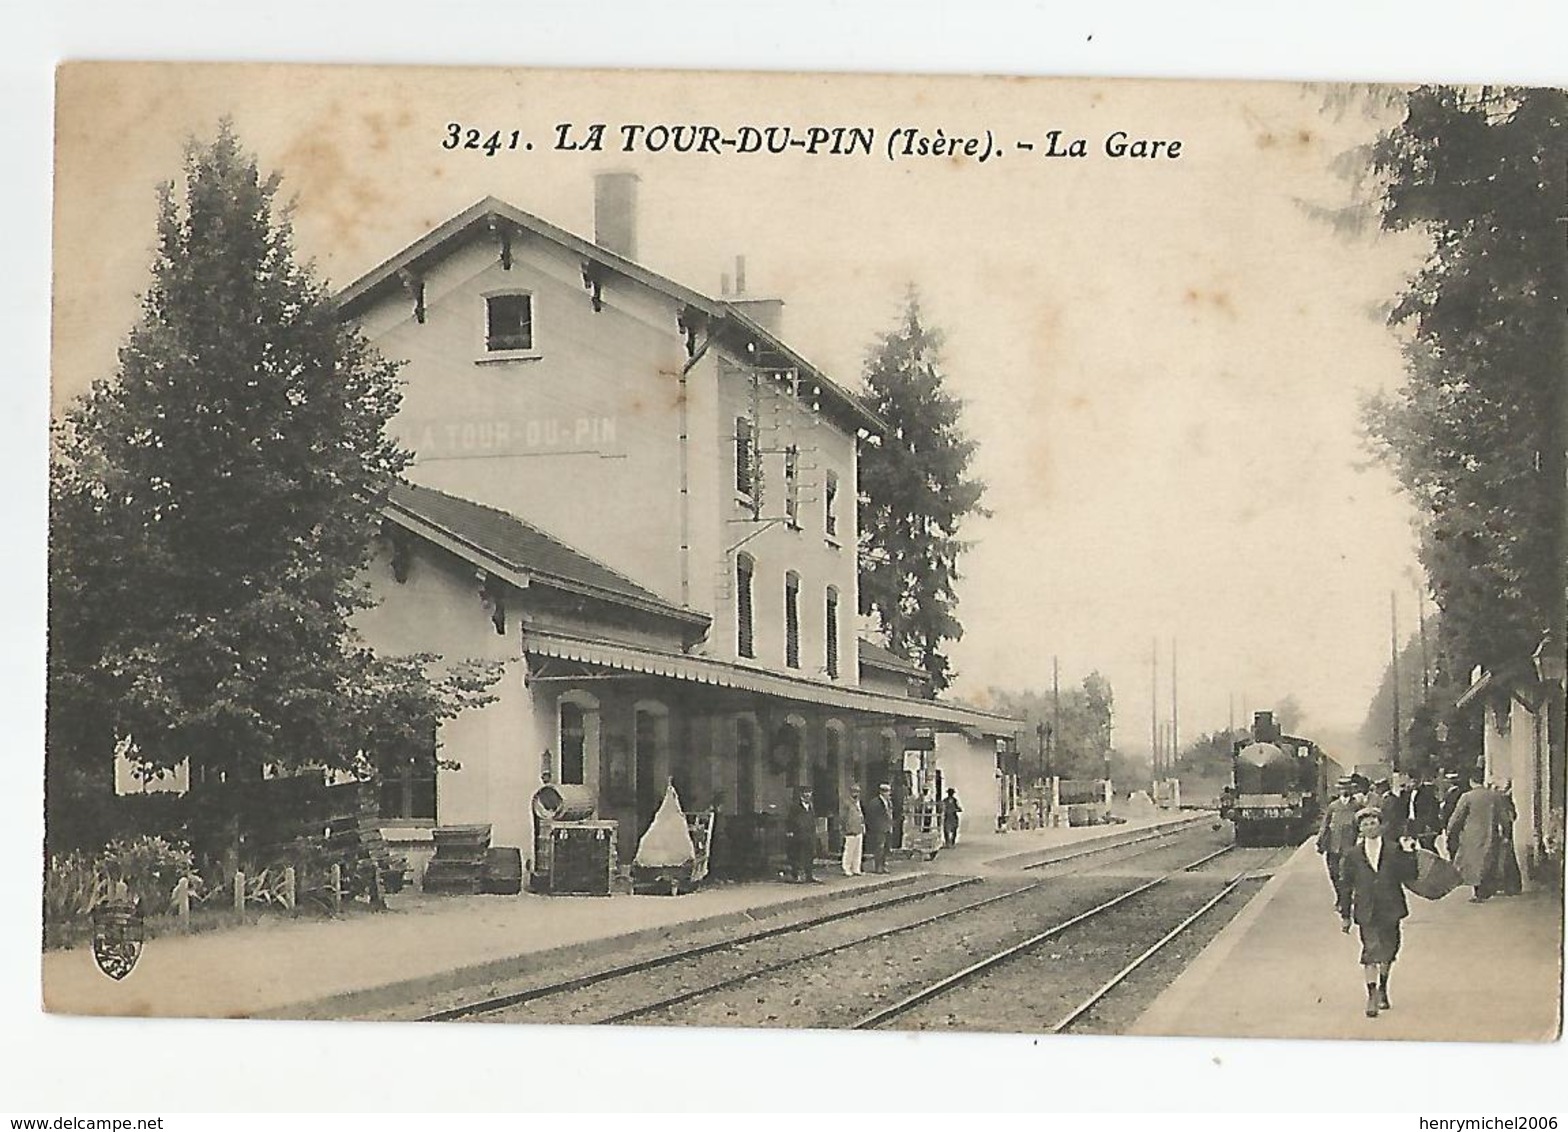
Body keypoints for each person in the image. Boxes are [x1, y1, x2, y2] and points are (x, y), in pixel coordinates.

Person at [1337, 806, 1418, 1018]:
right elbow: (1345, 885)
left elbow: (1410, 874)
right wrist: (1345, 914)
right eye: (1364, 824)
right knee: (1371, 950)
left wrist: (1410, 853)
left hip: (1391, 907)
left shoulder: (1394, 849)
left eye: (1373, 822)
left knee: (1389, 951)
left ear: (1380, 825)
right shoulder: (1352, 855)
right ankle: (1372, 995)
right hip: (1366, 910)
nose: (1369, 827)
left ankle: (1383, 986)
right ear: (1360, 830)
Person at [1445, 777, 1507, 901]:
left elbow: (1457, 816)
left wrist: (1449, 830)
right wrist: (1506, 832)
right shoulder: (1494, 796)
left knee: (1474, 862)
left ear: (1471, 781)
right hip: (1491, 832)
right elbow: (1503, 816)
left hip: (1472, 834)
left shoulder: (1467, 797)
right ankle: (1486, 889)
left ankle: (1478, 891)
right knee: (1488, 860)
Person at [1317, 777, 1361, 911]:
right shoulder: (1333, 806)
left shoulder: (1357, 806)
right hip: (1333, 846)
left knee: (1347, 875)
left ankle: (1345, 899)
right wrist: (1320, 841)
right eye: (1342, 788)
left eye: (1347, 788)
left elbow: (1361, 827)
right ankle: (1340, 897)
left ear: (1351, 789)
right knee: (1334, 874)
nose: (1344, 790)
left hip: (1350, 847)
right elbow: (1325, 825)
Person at [1399, 772, 1442, 852]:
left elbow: (1432, 809)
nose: (1411, 783)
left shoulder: (1427, 792)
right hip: (1411, 822)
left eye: (1413, 780)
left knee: (1427, 846)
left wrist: (1428, 824)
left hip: (1423, 823)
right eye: (1409, 780)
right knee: (1411, 845)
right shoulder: (1406, 793)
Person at [1495, 781, 1524, 896]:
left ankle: (1510, 886)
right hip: (1504, 833)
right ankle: (1511, 886)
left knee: (1505, 860)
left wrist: (1506, 834)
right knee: (1507, 859)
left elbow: (1509, 818)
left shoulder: (1502, 800)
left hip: (1503, 834)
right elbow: (1512, 816)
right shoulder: (1504, 799)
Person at [787, 787, 818, 883]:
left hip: (809, 834)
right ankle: (797, 875)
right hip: (798, 834)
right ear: (801, 795)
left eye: (809, 792)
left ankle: (809, 875)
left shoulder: (810, 807)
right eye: (805, 793)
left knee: (809, 855)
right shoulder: (795, 807)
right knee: (798, 855)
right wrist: (790, 831)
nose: (808, 795)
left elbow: (812, 820)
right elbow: (790, 820)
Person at [865, 782, 895, 873]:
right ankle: (878, 867)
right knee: (879, 848)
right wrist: (875, 827)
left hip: (887, 827)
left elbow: (889, 814)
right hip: (879, 829)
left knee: (886, 848)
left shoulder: (888, 802)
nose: (888, 793)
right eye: (886, 792)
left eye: (889, 791)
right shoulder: (875, 803)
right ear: (882, 792)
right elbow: (871, 816)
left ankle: (884, 865)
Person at [840, 784, 866, 877]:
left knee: (858, 851)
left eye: (858, 792)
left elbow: (861, 815)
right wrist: (845, 828)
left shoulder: (858, 803)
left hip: (858, 829)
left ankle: (856, 868)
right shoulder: (847, 803)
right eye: (854, 791)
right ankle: (846, 868)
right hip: (850, 830)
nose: (856, 793)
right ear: (851, 792)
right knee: (849, 850)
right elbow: (843, 817)